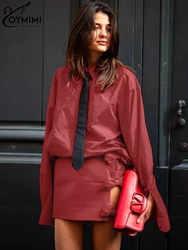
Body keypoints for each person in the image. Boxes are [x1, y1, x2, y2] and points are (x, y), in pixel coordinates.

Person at [39, 2, 170, 250]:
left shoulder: (124, 79)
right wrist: (48, 189)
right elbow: (51, 135)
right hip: (67, 179)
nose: (103, 34)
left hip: (106, 180)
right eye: (96, 27)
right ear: (81, 31)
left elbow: (137, 138)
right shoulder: (61, 77)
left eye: (108, 29)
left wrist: (148, 188)